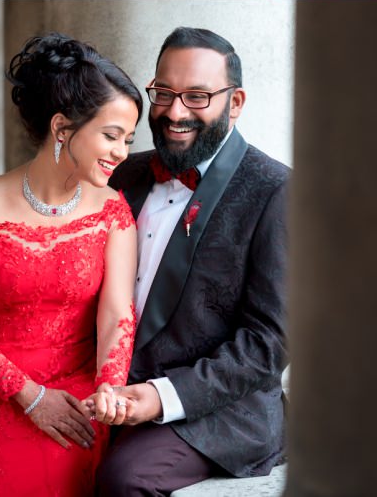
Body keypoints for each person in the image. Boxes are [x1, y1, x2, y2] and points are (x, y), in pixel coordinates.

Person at [0, 33, 141, 497]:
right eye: (111, 135)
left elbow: (117, 314)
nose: (122, 152)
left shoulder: (113, 211)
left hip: (73, 409)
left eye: (128, 139)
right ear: (63, 127)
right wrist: (28, 395)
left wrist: (109, 388)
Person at [92, 27, 290, 496]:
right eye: (164, 93)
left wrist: (162, 397)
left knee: (125, 480)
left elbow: (269, 342)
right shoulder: (124, 172)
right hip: (105, 384)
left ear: (235, 102)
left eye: (197, 96)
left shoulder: (277, 191)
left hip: (216, 410)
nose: (175, 112)